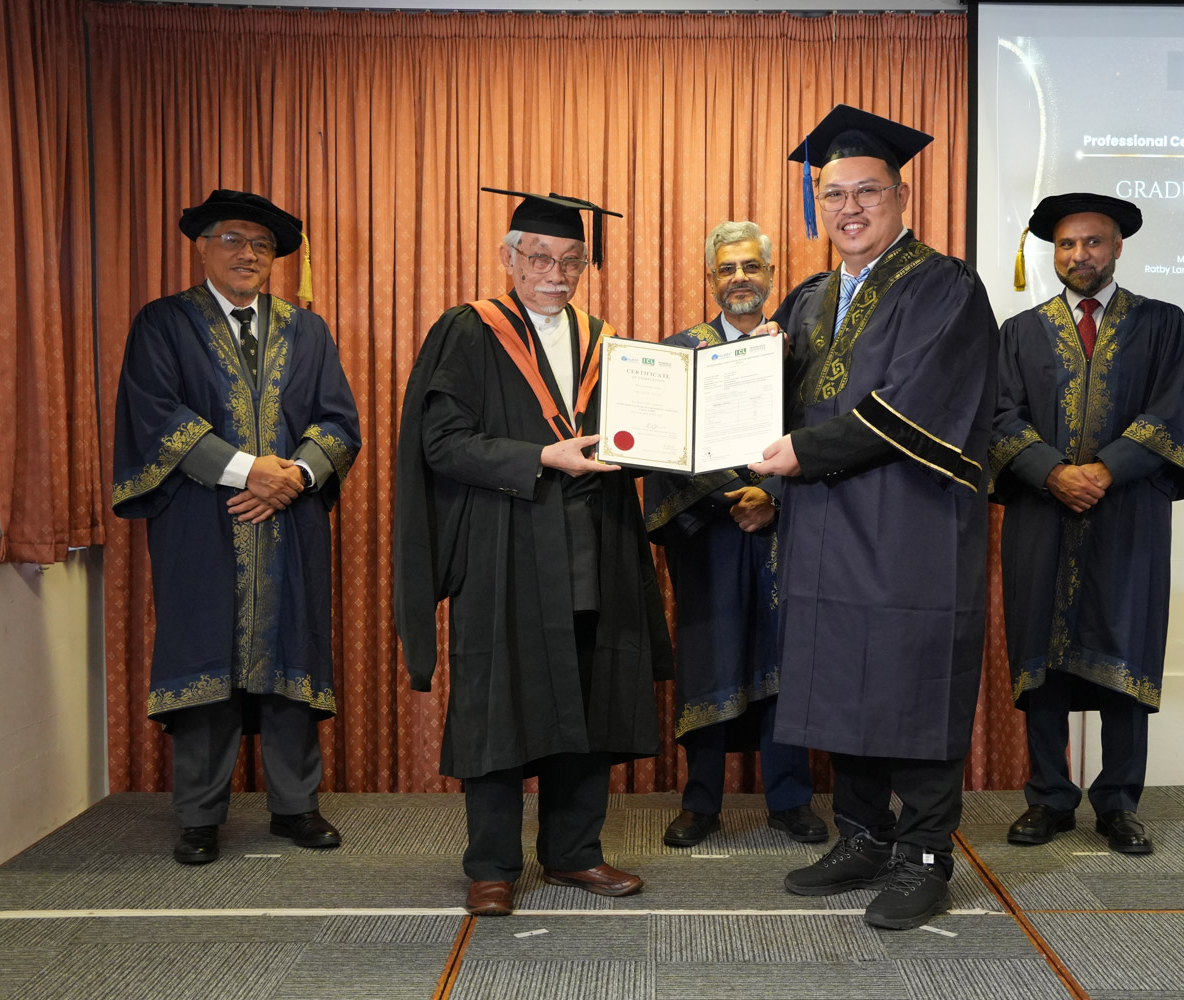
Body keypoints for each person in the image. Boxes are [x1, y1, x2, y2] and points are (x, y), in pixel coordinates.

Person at [749, 106, 998, 930]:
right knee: (838, 676)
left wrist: (802, 452)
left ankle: (925, 854)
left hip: (909, 526)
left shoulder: (944, 285)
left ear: (901, 194)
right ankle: (864, 834)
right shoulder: (812, 296)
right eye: (831, 194)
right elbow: (777, 398)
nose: (848, 208)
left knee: (911, 680)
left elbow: (914, 408)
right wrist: (743, 383)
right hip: (823, 525)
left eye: (866, 191)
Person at [394, 188, 672, 918]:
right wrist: (540, 456)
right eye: (540, 257)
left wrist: (671, 443)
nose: (555, 272)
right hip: (507, 550)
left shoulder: (605, 339)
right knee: (499, 705)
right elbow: (441, 443)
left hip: (595, 551)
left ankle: (574, 852)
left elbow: (631, 438)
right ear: (509, 256)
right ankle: (491, 863)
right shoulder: (469, 332)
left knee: (588, 699)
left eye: (571, 261)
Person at [111, 189, 361, 865]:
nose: (248, 255)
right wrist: (248, 471)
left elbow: (338, 420)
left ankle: (296, 807)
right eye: (233, 241)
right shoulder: (163, 324)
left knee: (291, 657)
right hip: (203, 519)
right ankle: (199, 816)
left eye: (261, 246)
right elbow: (157, 415)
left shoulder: (308, 331)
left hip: (291, 522)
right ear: (202, 246)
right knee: (206, 660)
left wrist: (297, 477)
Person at [991, 192, 1184, 856]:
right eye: (1067, 245)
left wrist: (1104, 471)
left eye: (1093, 242)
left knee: (1125, 650)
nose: (1079, 255)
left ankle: (1117, 803)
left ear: (1117, 248)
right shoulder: (1019, 333)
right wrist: (1052, 471)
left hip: (1128, 515)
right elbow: (999, 418)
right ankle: (1049, 798)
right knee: (1040, 654)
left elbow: (1171, 412)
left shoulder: (1163, 325)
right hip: (1040, 514)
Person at [643, 221, 825, 849]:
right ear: (710, 279)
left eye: (751, 267)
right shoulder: (680, 353)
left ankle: (789, 799)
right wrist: (730, 498)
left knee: (786, 657)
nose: (740, 278)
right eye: (727, 269)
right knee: (709, 657)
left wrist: (770, 497)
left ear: (771, 276)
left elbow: (823, 436)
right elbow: (664, 449)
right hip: (711, 533)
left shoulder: (803, 353)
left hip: (785, 530)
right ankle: (700, 803)